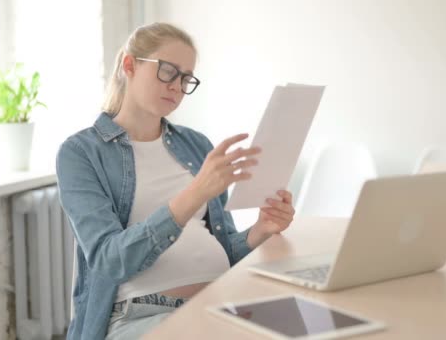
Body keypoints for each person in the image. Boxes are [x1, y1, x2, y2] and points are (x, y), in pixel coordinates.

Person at [56, 22, 295, 340]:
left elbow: (222, 250)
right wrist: (194, 194)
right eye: (168, 71)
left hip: (222, 301)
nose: (177, 86)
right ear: (130, 65)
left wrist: (260, 230)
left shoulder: (195, 145)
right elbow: (108, 260)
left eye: (186, 78)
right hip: (141, 314)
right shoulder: (81, 153)